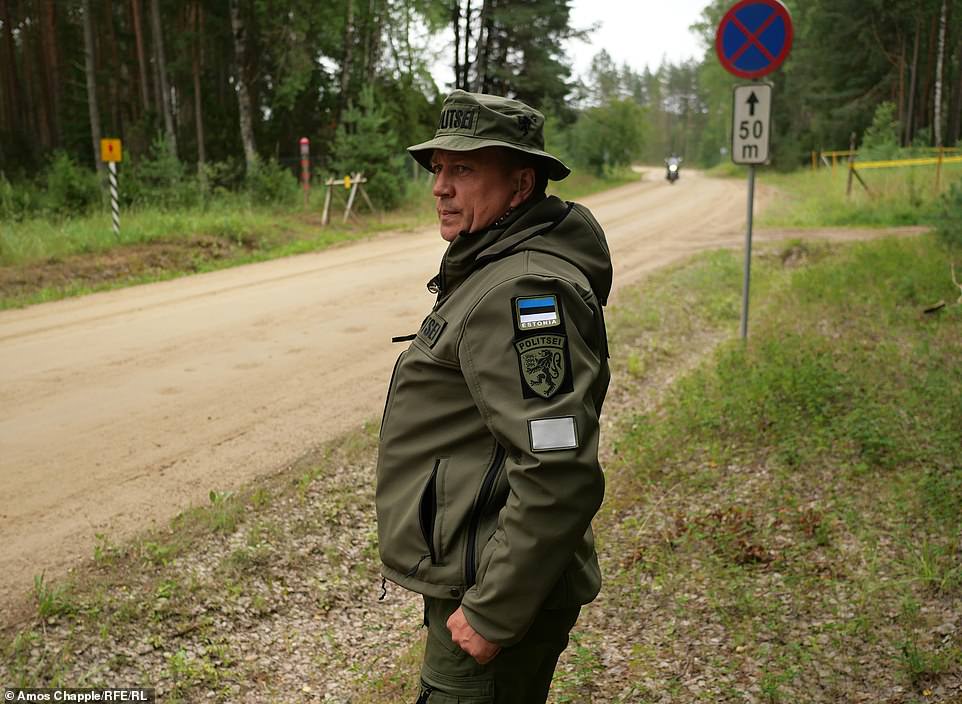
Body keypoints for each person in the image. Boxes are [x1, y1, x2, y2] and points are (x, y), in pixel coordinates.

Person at [375, 89, 612, 703]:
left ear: (520, 183)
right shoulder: (493, 266)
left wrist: (494, 610)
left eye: (465, 168)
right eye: (438, 169)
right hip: (488, 566)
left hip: (496, 584)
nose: (440, 187)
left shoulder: (524, 291)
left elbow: (558, 465)